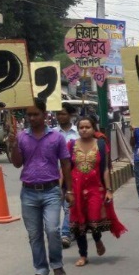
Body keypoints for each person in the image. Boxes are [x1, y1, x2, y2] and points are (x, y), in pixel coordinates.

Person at [6, 98, 74, 275]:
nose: (32, 118)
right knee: (34, 234)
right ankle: (41, 270)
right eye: (29, 114)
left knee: (52, 230)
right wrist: (13, 145)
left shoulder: (56, 137)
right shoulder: (21, 137)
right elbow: (17, 163)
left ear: (45, 115)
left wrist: (69, 190)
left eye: (36, 114)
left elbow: (66, 164)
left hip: (51, 190)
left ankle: (57, 265)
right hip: (28, 192)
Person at [67, 117, 127, 266]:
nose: (84, 130)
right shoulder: (71, 145)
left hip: (95, 188)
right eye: (81, 127)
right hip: (77, 188)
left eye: (87, 127)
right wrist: (66, 190)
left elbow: (105, 169)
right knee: (78, 221)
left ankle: (97, 239)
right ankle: (83, 255)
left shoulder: (101, 144)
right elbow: (66, 168)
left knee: (94, 218)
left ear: (94, 129)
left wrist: (109, 190)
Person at [55, 104, 80, 248]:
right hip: (55, 175)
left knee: (68, 205)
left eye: (63, 114)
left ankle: (65, 234)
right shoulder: (52, 133)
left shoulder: (77, 133)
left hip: (73, 174)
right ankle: (59, 232)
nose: (60, 116)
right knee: (55, 205)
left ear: (70, 115)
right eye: (58, 114)